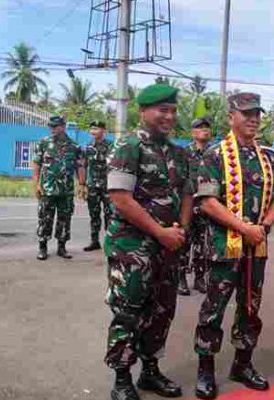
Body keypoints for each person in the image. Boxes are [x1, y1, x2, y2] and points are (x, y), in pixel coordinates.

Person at [104, 83, 191, 400]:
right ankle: (122, 379)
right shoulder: (128, 146)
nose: (168, 116)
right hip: (132, 249)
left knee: (161, 311)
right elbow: (120, 198)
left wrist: (180, 228)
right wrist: (161, 232)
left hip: (167, 247)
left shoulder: (177, 152)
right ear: (143, 111)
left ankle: (150, 372)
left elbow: (187, 193)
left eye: (172, 110)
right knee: (129, 312)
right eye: (161, 110)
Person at [193, 92, 274, 399]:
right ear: (230, 116)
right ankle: (206, 369)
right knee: (213, 309)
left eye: (257, 113)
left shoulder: (267, 157)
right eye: (246, 113)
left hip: (256, 248)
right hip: (223, 247)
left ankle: (242, 364)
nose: (253, 119)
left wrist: (263, 228)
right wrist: (244, 228)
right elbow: (206, 202)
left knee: (250, 307)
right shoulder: (215, 156)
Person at [32, 115, 85, 260]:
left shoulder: (74, 146)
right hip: (47, 190)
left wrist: (81, 184)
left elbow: (80, 166)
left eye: (55, 126)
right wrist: (36, 184)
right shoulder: (43, 143)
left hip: (66, 191)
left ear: (63, 126)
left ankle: (62, 248)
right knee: (44, 219)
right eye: (50, 126)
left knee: (65, 219)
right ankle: (42, 248)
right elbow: (37, 164)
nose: (52, 129)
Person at [179, 117, 213, 296]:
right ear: (193, 133)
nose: (204, 131)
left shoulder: (214, 154)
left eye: (207, 128)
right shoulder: (184, 153)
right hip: (188, 206)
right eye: (200, 128)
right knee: (184, 242)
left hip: (206, 206)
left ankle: (200, 278)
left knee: (204, 243)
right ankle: (181, 277)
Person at [83, 120, 113, 252]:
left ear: (103, 131)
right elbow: (84, 165)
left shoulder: (111, 146)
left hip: (108, 186)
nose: (93, 131)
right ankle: (94, 241)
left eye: (96, 129)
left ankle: (110, 241)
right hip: (93, 185)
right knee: (94, 214)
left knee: (109, 214)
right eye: (92, 129)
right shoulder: (88, 146)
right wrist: (82, 184)